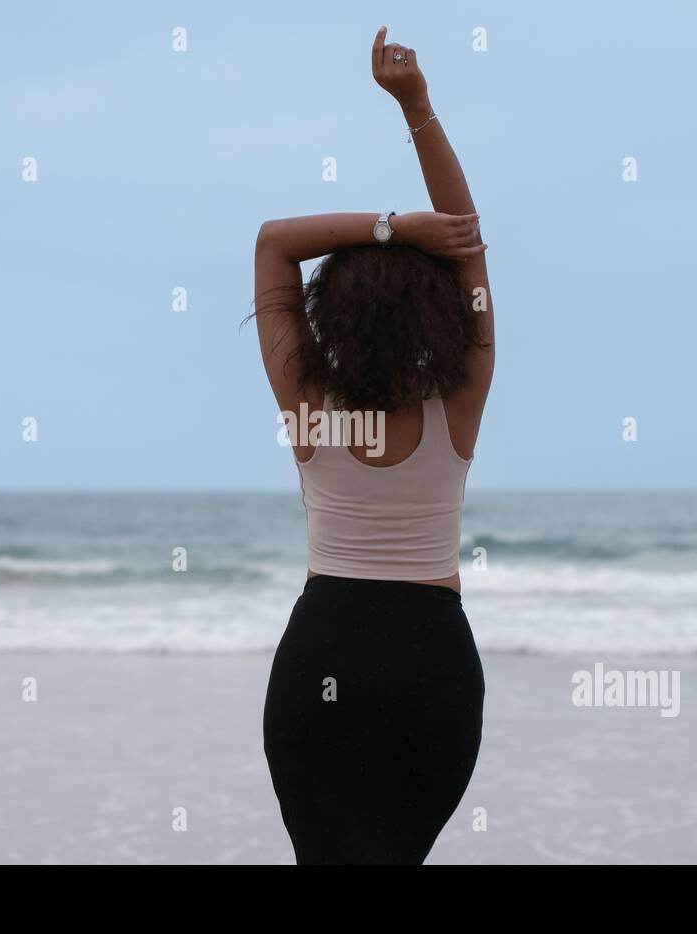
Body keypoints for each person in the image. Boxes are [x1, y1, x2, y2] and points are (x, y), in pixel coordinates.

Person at [253, 27, 495, 864]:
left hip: (324, 650)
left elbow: (274, 240)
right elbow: (465, 236)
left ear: (331, 313)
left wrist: (392, 230)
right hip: (432, 660)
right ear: (434, 312)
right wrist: (416, 105)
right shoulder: (460, 395)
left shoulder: (307, 405)